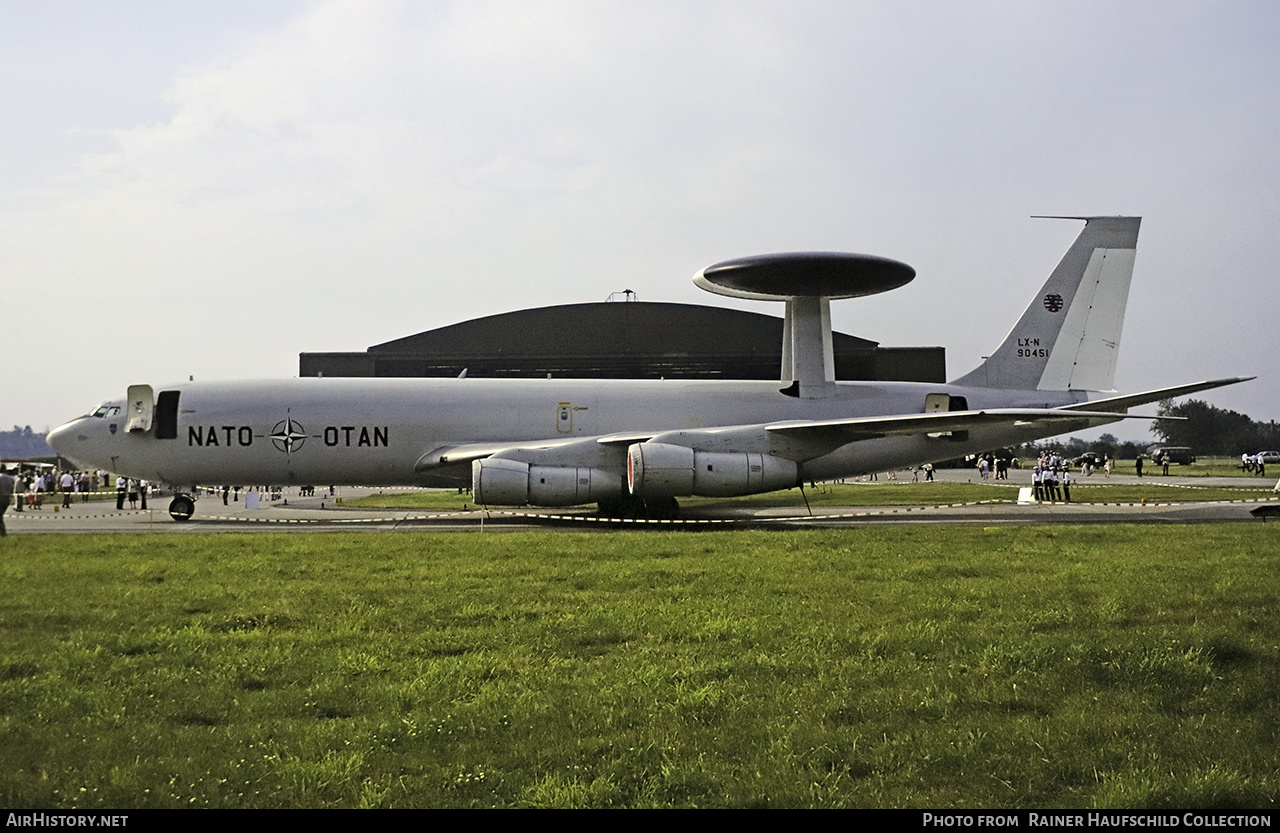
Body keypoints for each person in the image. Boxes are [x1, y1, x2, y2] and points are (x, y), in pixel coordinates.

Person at [0, 466, 15, 536]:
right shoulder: (10, 478)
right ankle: (2, 533)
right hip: (7, 499)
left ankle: (3, 533)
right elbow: (12, 490)